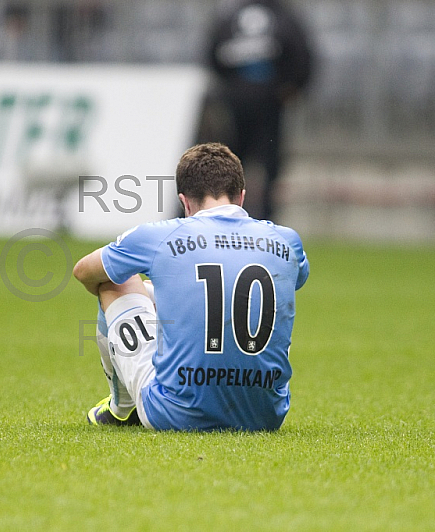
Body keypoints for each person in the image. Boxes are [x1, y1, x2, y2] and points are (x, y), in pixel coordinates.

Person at [73, 143, 309, 431]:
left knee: (115, 280)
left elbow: (83, 271)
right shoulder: (287, 240)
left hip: (173, 414)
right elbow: (294, 280)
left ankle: (121, 408)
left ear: (185, 202)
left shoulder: (160, 235)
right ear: (242, 197)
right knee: (173, 294)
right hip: (265, 417)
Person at [199, 0, 313, 220]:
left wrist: (230, 90)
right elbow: (303, 58)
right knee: (247, 165)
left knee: (235, 164)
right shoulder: (283, 18)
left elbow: (212, 55)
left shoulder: (232, 17)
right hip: (262, 104)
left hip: (255, 105)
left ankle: (233, 217)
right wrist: (288, 89)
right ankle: (262, 220)